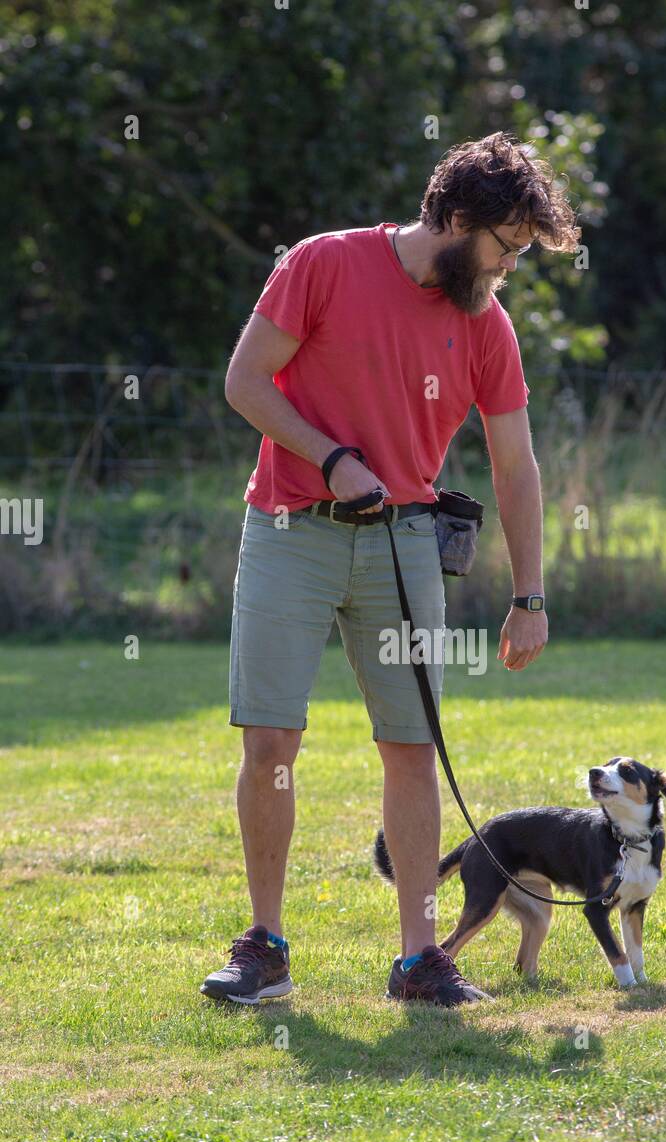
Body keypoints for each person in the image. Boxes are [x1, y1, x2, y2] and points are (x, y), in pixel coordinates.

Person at [200, 131, 580, 1008]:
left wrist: (530, 596)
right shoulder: (322, 264)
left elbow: (516, 467)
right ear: (455, 218)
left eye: (522, 253)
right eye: (505, 247)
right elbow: (246, 381)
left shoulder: (484, 322)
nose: (508, 269)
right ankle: (264, 947)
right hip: (290, 528)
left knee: (411, 748)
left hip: (407, 544)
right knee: (271, 745)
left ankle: (419, 958)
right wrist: (331, 458)